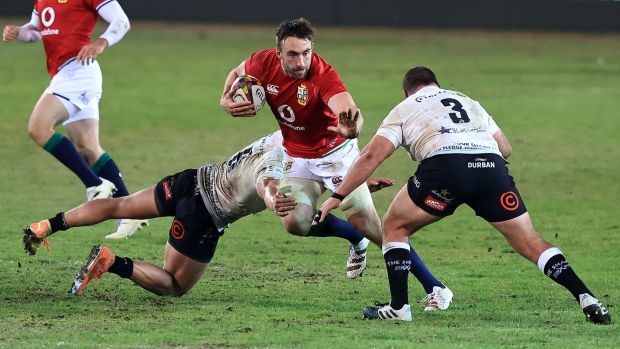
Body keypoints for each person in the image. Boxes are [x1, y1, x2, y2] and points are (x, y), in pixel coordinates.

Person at [315, 66, 612, 324]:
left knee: (394, 226)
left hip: (446, 170)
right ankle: (584, 296)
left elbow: (370, 156)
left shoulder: (405, 108)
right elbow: (505, 148)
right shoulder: (468, 101)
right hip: (491, 169)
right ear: (437, 85)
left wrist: (338, 196)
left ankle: (398, 308)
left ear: (407, 92)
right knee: (531, 242)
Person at [220, 19, 453, 309]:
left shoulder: (323, 75)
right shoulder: (261, 62)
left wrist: (351, 128)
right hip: (297, 155)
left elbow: (349, 109)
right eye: (292, 54)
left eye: (306, 52)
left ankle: (436, 287)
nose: (301, 60)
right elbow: (236, 73)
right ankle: (352, 236)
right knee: (295, 222)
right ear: (278, 53)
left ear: (312, 49)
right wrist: (225, 100)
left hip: (337, 157)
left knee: (377, 230)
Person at [22, 131, 392, 297]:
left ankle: (49, 225)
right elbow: (270, 183)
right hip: (205, 215)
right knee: (175, 285)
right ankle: (111, 262)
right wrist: (272, 200)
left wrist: (350, 187)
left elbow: (314, 173)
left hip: (190, 179)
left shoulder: (280, 136)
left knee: (119, 205)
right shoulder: (284, 159)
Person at [2, 0, 147, 238]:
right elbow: (35, 32)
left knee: (38, 127)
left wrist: (101, 42)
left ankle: (95, 185)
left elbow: (122, 21)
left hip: (78, 72)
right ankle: (131, 214)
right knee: (88, 148)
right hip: (67, 74)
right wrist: (19, 32)